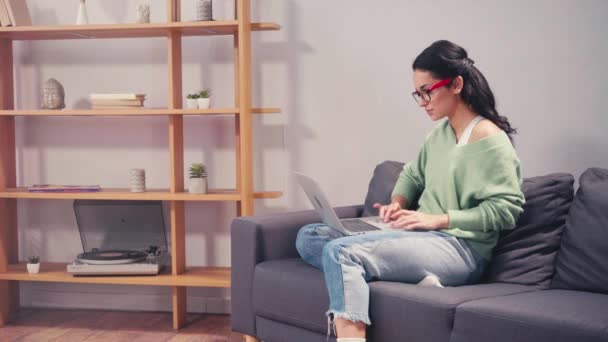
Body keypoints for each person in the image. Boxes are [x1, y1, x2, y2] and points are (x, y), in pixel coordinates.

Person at [295, 40, 526, 342]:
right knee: (310, 236)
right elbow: (412, 176)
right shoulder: (440, 134)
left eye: (427, 91)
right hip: (420, 237)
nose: (422, 101)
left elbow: (506, 211)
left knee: (340, 253)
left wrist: (439, 220)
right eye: (417, 93)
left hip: (460, 249)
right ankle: (405, 271)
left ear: (456, 84)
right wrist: (397, 202)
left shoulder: (491, 140)